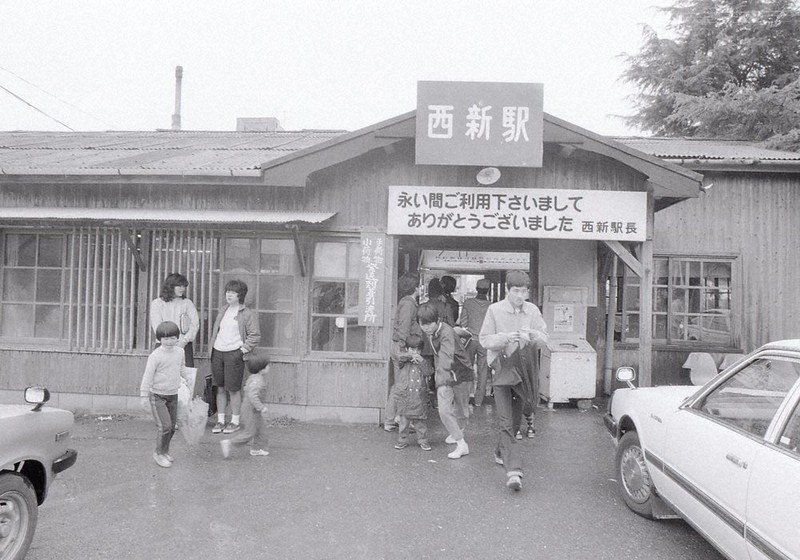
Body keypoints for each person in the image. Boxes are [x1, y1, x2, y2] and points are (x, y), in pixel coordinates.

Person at [479, 270, 548, 491]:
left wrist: (534, 336)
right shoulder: (494, 310)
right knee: (506, 423)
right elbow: (484, 340)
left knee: (516, 421)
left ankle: (501, 451)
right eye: (516, 290)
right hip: (501, 370)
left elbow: (544, 339)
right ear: (508, 290)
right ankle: (514, 471)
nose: (520, 295)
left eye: (524, 290)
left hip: (523, 371)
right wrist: (505, 338)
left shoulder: (532, 311)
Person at [417, 302, 474, 459]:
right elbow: (438, 357)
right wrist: (440, 380)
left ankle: (458, 432)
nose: (426, 327)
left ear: (437, 320)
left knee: (461, 410)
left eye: (429, 323)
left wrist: (440, 381)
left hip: (461, 373)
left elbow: (446, 356)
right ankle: (461, 443)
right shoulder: (433, 333)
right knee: (444, 410)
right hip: (448, 375)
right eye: (423, 324)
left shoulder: (446, 332)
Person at [209, 279, 261, 435]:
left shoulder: (247, 313)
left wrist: (242, 350)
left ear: (241, 295)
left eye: (232, 292)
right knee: (220, 388)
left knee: (233, 389)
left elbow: (255, 335)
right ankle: (220, 420)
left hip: (234, 354)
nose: (229, 295)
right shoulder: (223, 310)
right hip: (218, 352)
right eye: (227, 292)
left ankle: (235, 421)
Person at [140, 321, 193, 468]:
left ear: (177, 338)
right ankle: (158, 453)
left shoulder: (180, 352)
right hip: (157, 395)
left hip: (173, 394)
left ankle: (165, 451)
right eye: (165, 338)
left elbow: (181, 368)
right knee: (165, 426)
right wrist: (144, 396)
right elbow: (147, 376)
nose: (169, 341)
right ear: (160, 339)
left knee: (172, 427)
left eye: (172, 338)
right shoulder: (155, 356)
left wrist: (188, 378)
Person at [384, 272, 422, 432]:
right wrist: (407, 352)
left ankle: (396, 418)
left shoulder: (407, 302)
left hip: (400, 347)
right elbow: (404, 329)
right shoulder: (408, 304)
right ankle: (391, 419)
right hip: (402, 348)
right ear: (416, 288)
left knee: (401, 384)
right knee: (401, 385)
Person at [220, 354, 272, 458]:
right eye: (267, 365)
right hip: (250, 409)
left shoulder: (254, 378)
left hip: (252, 408)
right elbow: (253, 396)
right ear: (261, 369)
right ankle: (229, 442)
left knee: (260, 428)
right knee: (250, 432)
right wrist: (261, 407)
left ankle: (256, 449)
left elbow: (247, 390)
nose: (269, 367)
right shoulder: (258, 381)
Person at [150, 273, 200, 367]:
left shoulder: (187, 303)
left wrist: (184, 341)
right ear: (170, 286)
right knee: (163, 377)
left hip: (184, 345)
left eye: (184, 286)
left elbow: (195, 324)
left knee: (185, 379)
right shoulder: (157, 303)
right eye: (179, 286)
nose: (182, 289)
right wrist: (170, 342)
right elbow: (157, 327)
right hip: (163, 345)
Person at [391, 333, 431, 451]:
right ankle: (402, 440)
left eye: (418, 350)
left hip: (419, 397)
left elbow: (428, 372)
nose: (415, 352)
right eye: (412, 349)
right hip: (405, 396)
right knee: (403, 422)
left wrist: (421, 361)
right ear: (407, 349)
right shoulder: (403, 361)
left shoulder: (422, 361)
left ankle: (423, 440)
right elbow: (399, 356)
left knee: (420, 423)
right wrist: (410, 356)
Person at [457, 278, 492, 407]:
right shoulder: (491, 306)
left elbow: (463, 323)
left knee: (467, 369)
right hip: (484, 341)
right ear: (488, 290)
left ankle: (465, 398)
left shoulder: (468, 303)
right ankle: (478, 401)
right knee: (483, 371)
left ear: (477, 289)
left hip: (470, 340)